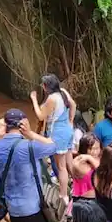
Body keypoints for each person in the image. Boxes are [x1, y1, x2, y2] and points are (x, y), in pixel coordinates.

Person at [30, 73, 76, 211]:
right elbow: (73, 104)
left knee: (61, 166)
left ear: (45, 87)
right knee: (69, 162)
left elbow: (40, 115)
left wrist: (33, 100)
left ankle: (63, 195)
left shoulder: (51, 99)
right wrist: (71, 120)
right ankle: (76, 186)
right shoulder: (63, 92)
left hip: (58, 134)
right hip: (68, 130)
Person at [71, 134, 101, 202]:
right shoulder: (78, 161)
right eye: (91, 149)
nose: (95, 152)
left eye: (97, 148)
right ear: (84, 148)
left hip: (96, 199)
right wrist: (89, 157)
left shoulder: (98, 159)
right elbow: (101, 172)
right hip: (83, 201)